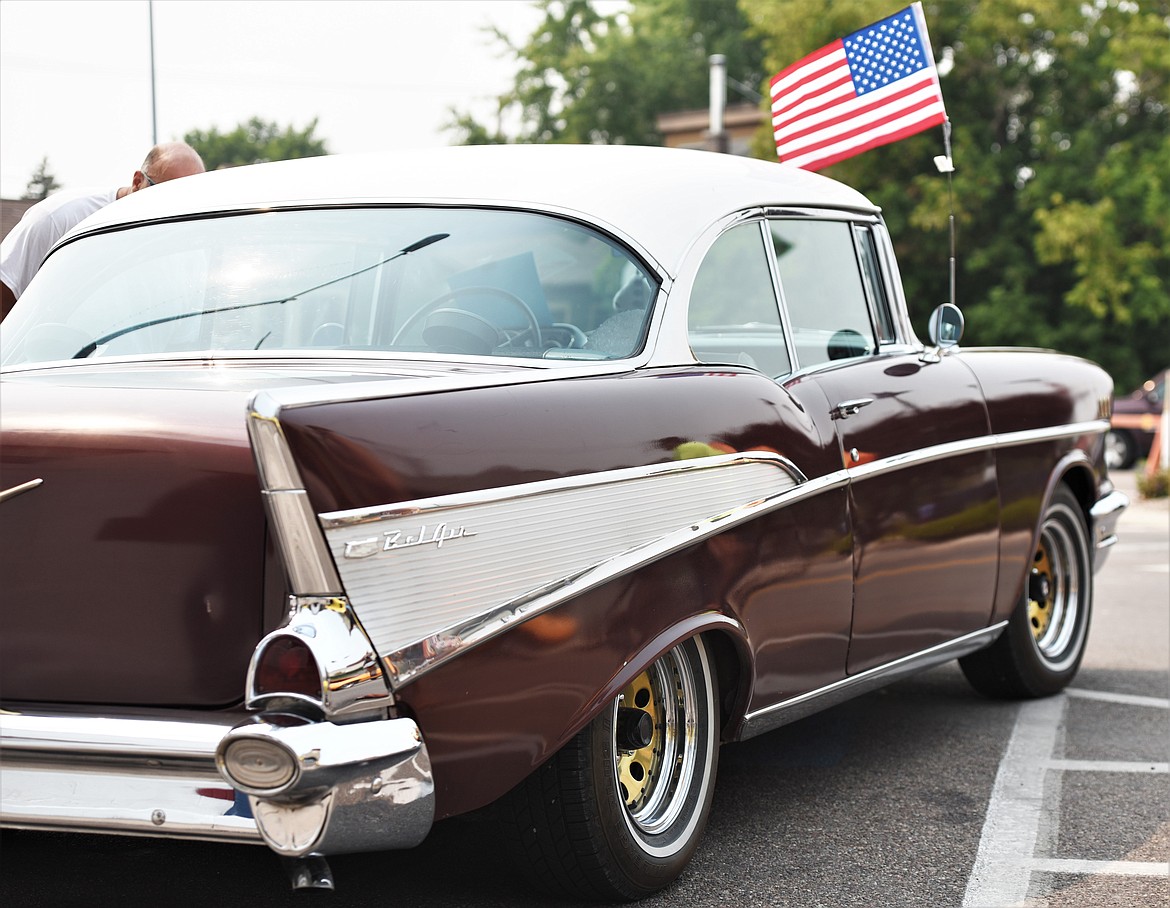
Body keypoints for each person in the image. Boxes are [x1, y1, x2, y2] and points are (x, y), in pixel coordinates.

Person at [0, 141, 205, 320]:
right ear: (137, 182)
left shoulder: (189, 250)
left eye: (187, 201)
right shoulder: (59, 219)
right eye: (165, 197)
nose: (174, 211)